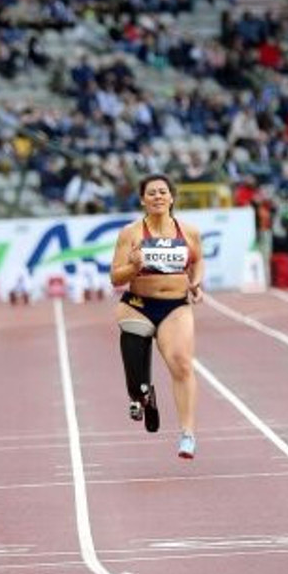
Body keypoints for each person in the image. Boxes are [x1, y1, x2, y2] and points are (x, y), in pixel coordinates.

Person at [110, 174, 204, 459]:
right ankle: (143, 396)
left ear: (171, 198)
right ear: (142, 200)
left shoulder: (189, 232)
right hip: (138, 305)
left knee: (182, 364)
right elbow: (116, 277)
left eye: (163, 192)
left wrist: (195, 283)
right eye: (151, 193)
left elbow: (198, 260)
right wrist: (133, 267)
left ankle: (187, 434)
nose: (158, 197)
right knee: (136, 383)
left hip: (175, 306)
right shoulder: (131, 233)